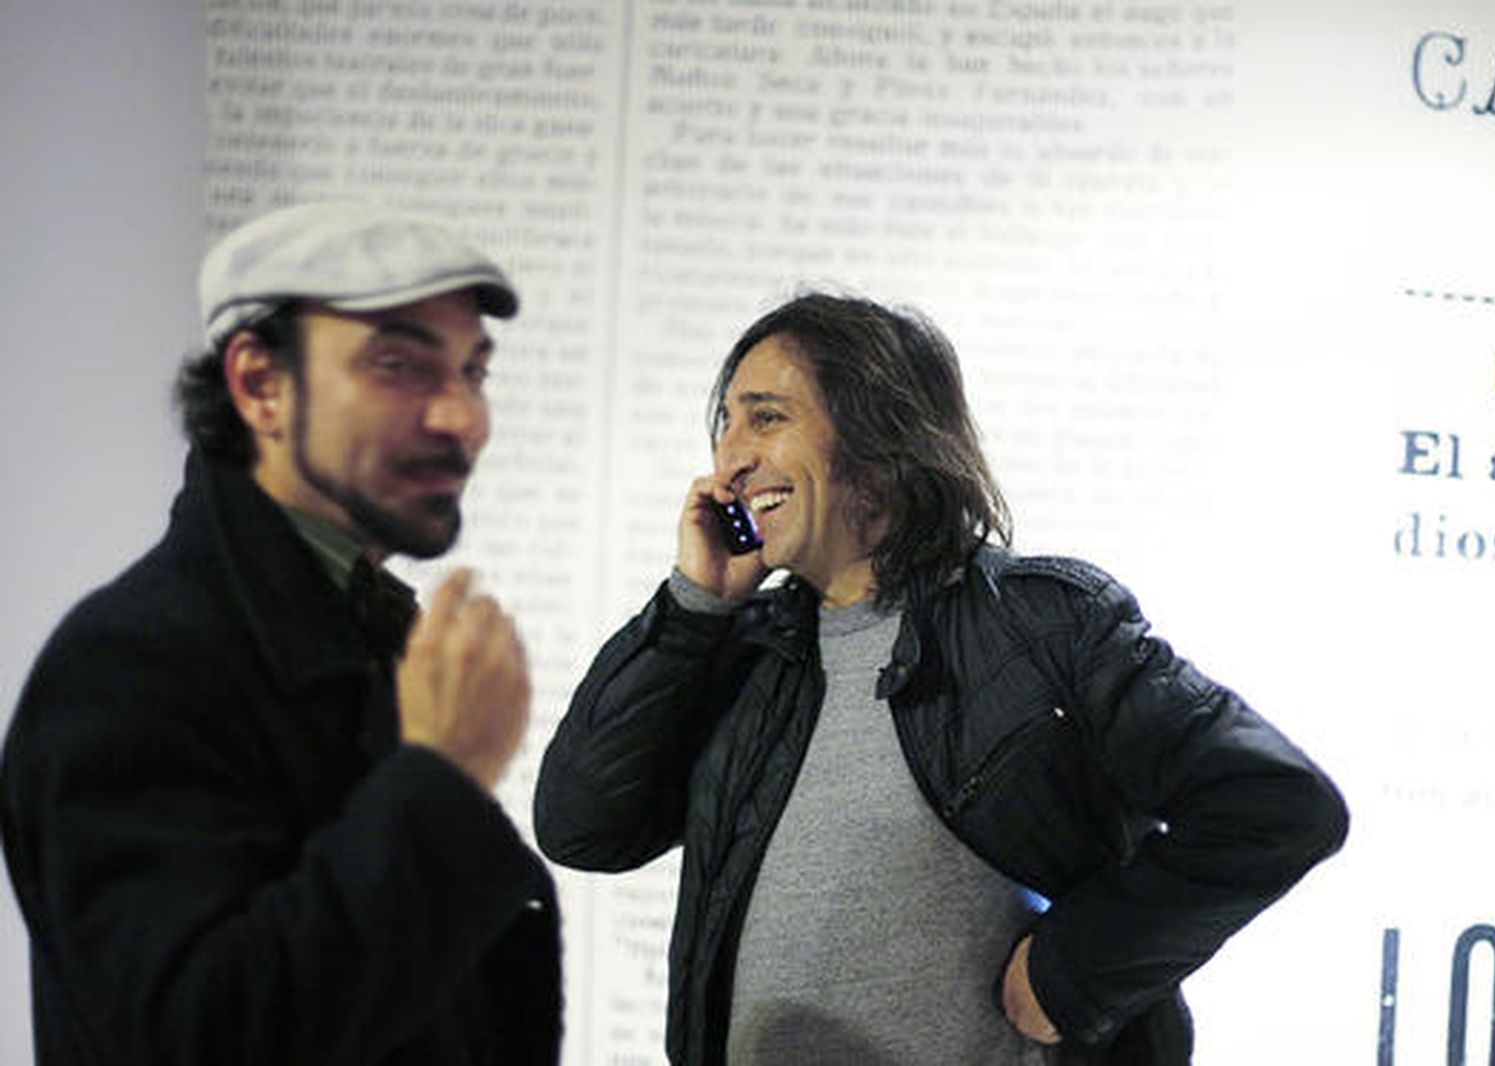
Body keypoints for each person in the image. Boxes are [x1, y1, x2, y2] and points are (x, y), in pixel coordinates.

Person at [534, 292, 1348, 1065]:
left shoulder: (1042, 625)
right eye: (727, 424)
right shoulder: (743, 652)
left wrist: (1075, 970)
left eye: (767, 417)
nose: (731, 459)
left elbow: (1275, 805)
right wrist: (692, 609)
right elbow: (582, 827)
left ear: (881, 438)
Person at [1, 201, 561, 1065]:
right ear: (260, 384)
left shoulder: (358, 625)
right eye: (399, 365)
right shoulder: (129, 663)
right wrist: (443, 782)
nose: (464, 418)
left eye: (473, 371)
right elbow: (196, 1034)